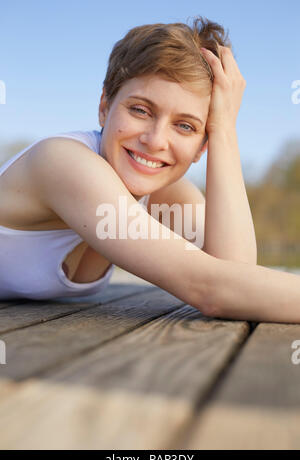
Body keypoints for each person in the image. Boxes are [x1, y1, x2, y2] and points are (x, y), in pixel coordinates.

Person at [0, 17, 299, 322]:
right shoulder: (62, 163)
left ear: (201, 146)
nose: (155, 140)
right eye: (140, 110)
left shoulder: (166, 193)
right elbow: (215, 290)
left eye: (185, 126)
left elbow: (237, 277)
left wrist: (223, 130)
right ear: (105, 105)